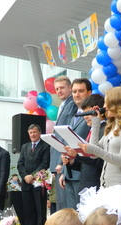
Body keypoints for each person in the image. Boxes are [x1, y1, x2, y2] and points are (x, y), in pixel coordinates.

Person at [80, 87, 121, 188]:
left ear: (117, 104)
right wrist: (95, 123)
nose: (104, 106)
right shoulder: (112, 127)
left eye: (106, 103)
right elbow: (93, 153)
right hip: (106, 186)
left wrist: (95, 150)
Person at [58, 78, 92, 209]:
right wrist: (64, 171)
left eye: (81, 91)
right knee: (72, 216)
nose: (76, 94)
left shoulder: (93, 116)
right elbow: (68, 143)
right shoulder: (73, 116)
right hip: (69, 173)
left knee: (83, 215)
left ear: (89, 93)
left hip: (84, 173)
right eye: (74, 91)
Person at [63, 94, 106, 192]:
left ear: (99, 112)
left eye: (88, 113)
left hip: (97, 185)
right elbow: (86, 164)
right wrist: (72, 161)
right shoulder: (91, 131)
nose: (85, 117)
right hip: (85, 184)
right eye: (84, 114)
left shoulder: (105, 130)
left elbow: (101, 161)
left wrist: (77, 156)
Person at [49, 76, 79, 213]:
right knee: (60, 204)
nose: (59, 91)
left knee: (66, 205)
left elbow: (67, 135)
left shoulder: (72, 104)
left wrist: (61, 162)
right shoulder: (63, 105)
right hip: (58, 160)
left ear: (69, 88)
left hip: (64, 160)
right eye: (57, 89)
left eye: (62, 88)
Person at [17, 124, 50, 225]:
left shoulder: (45, 146)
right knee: (27, 208)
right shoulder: (25, 147)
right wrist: (25, 176)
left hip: (39, 181)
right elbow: (20, 164)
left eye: (35, 132)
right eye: (30, 133)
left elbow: (45, 163)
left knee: (40, 208)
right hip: (26, 182)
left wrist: (33, 175)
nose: (32, 134)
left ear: (39, 133)